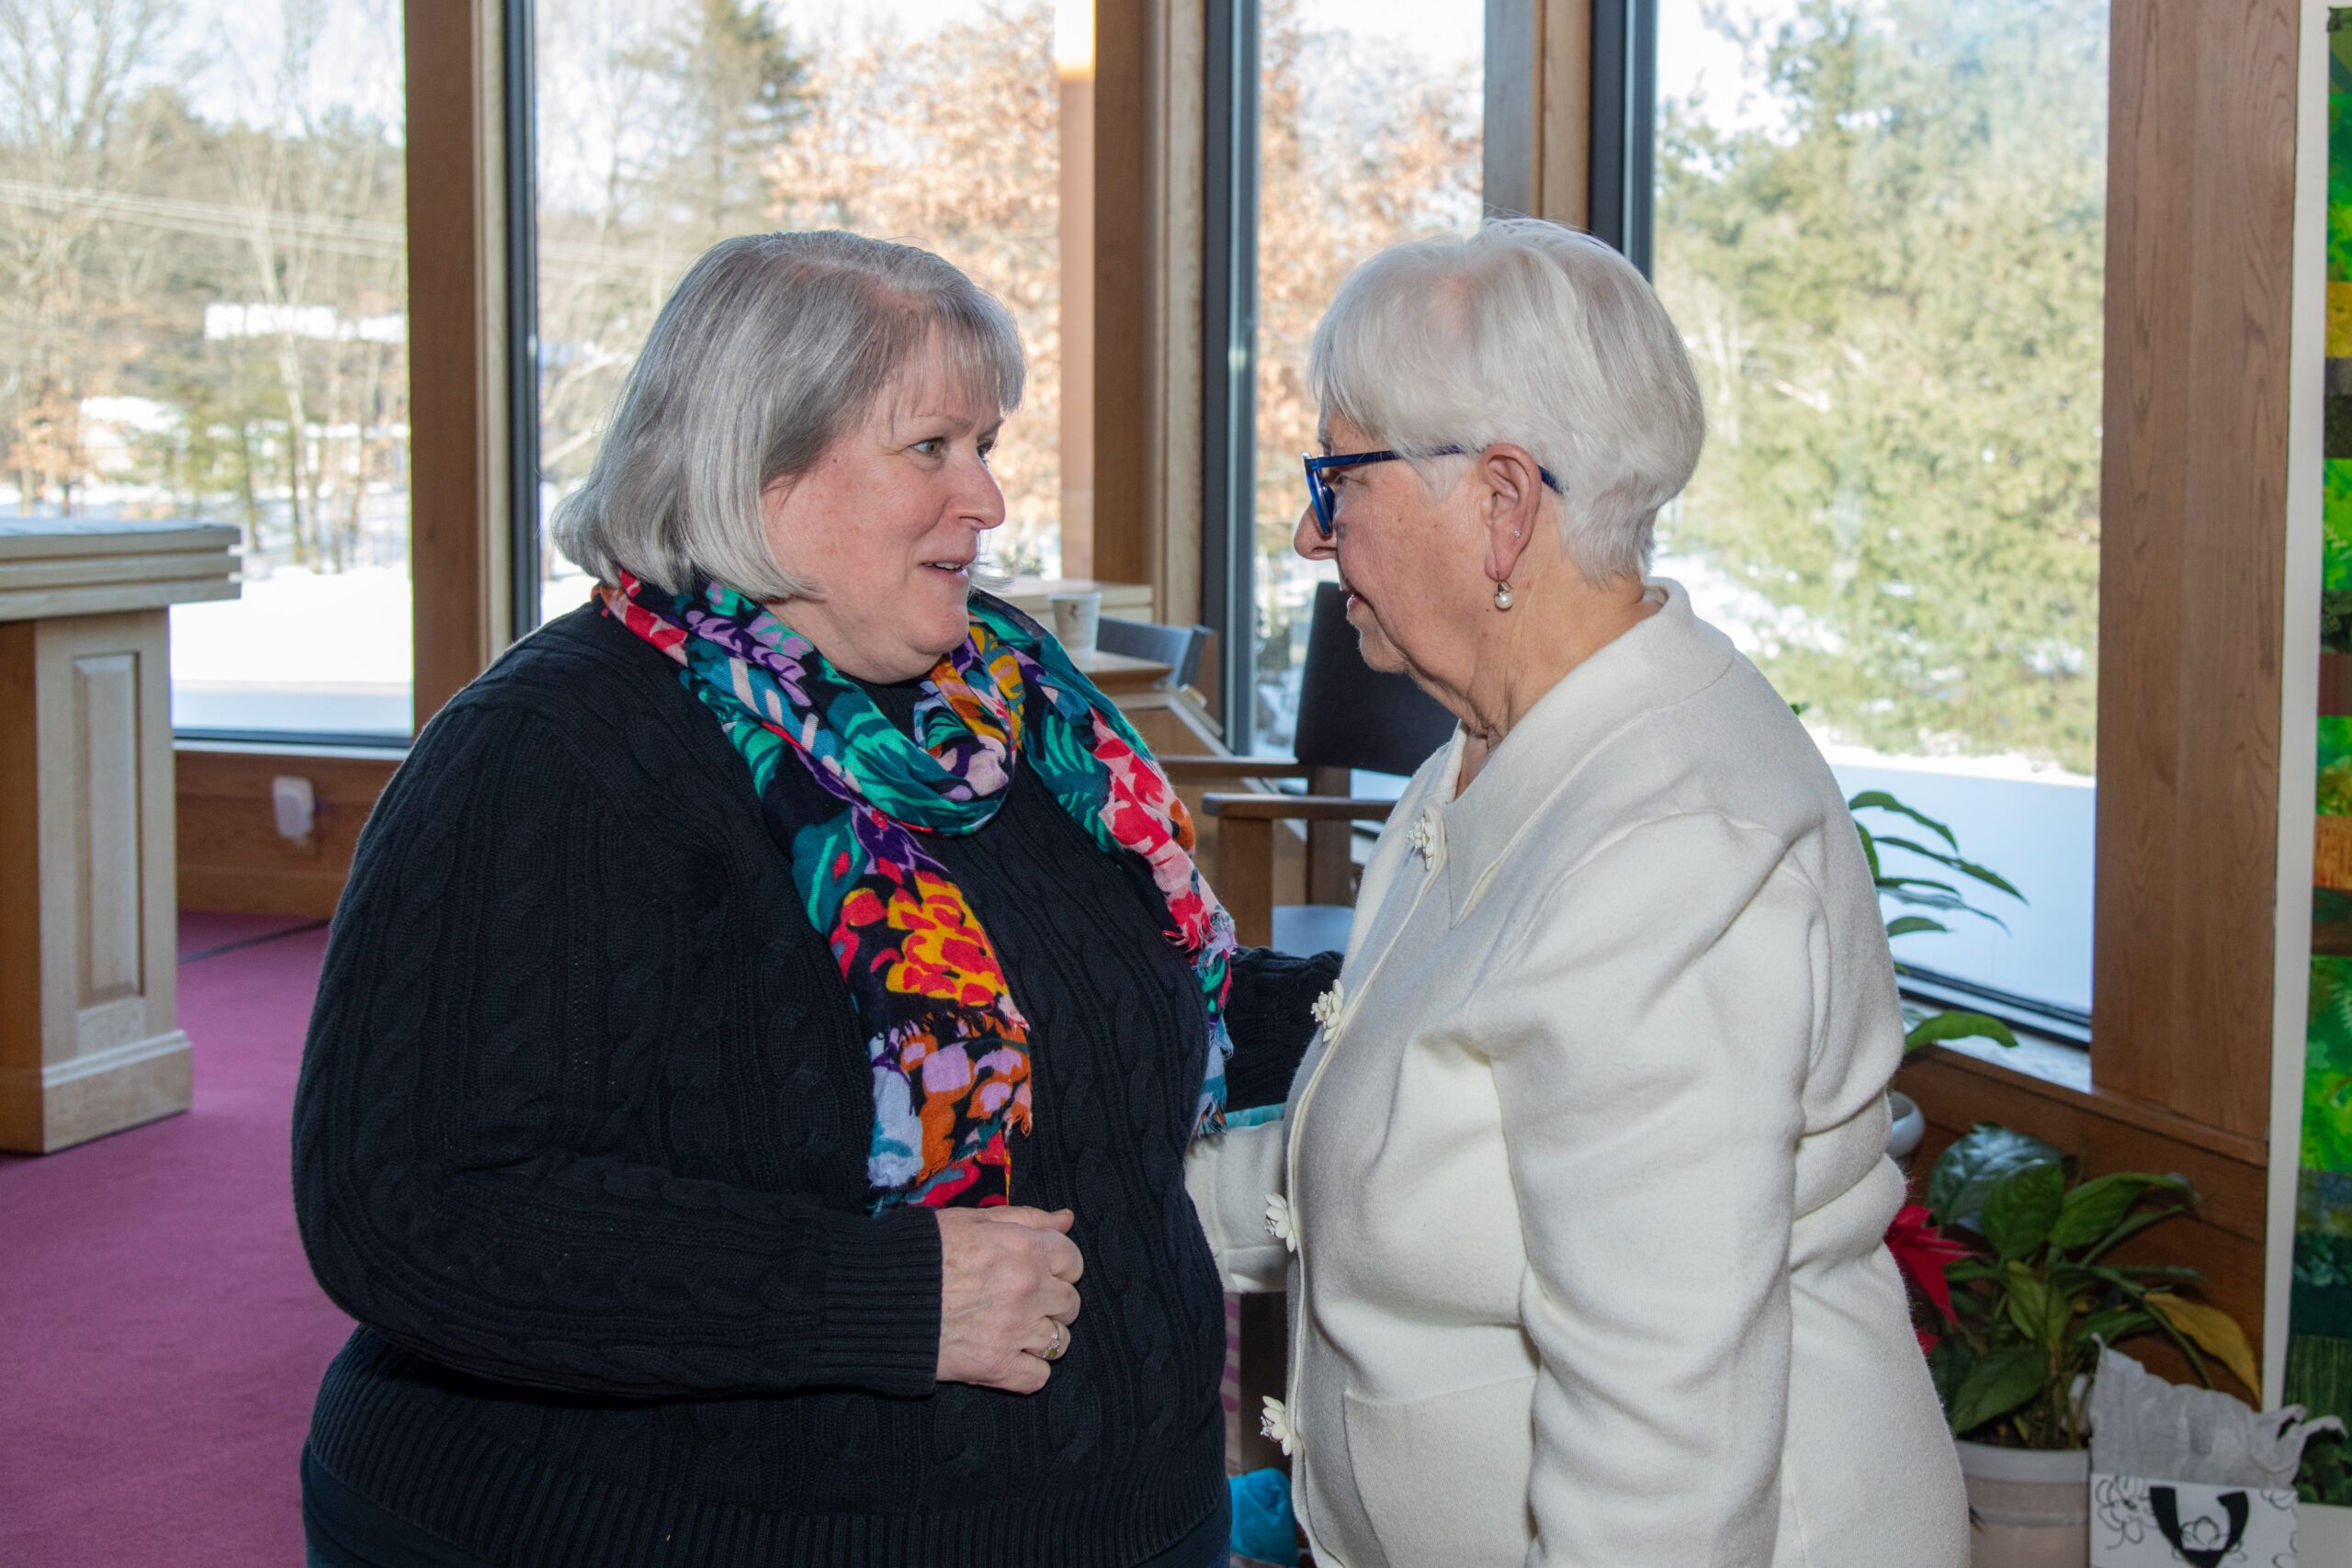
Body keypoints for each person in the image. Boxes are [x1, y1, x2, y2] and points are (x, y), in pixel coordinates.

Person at [292, 231, 1335, 1568]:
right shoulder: (549, 751)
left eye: (986, 443)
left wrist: (1395, 996)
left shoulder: (1006, 710)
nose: (988, 498)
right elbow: (413, 1211)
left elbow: (1116, 1007)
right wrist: (878, 1297)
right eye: (931, 448)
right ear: (757, 470)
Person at [1187, 218, 1970, 1566]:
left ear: (1502, 502)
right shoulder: (1497, 751)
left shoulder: (1669, 849)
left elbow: (1661, 1468)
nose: (1313, 532)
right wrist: (1104, 1212)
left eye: (1339, 477)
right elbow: (1400, 1149)